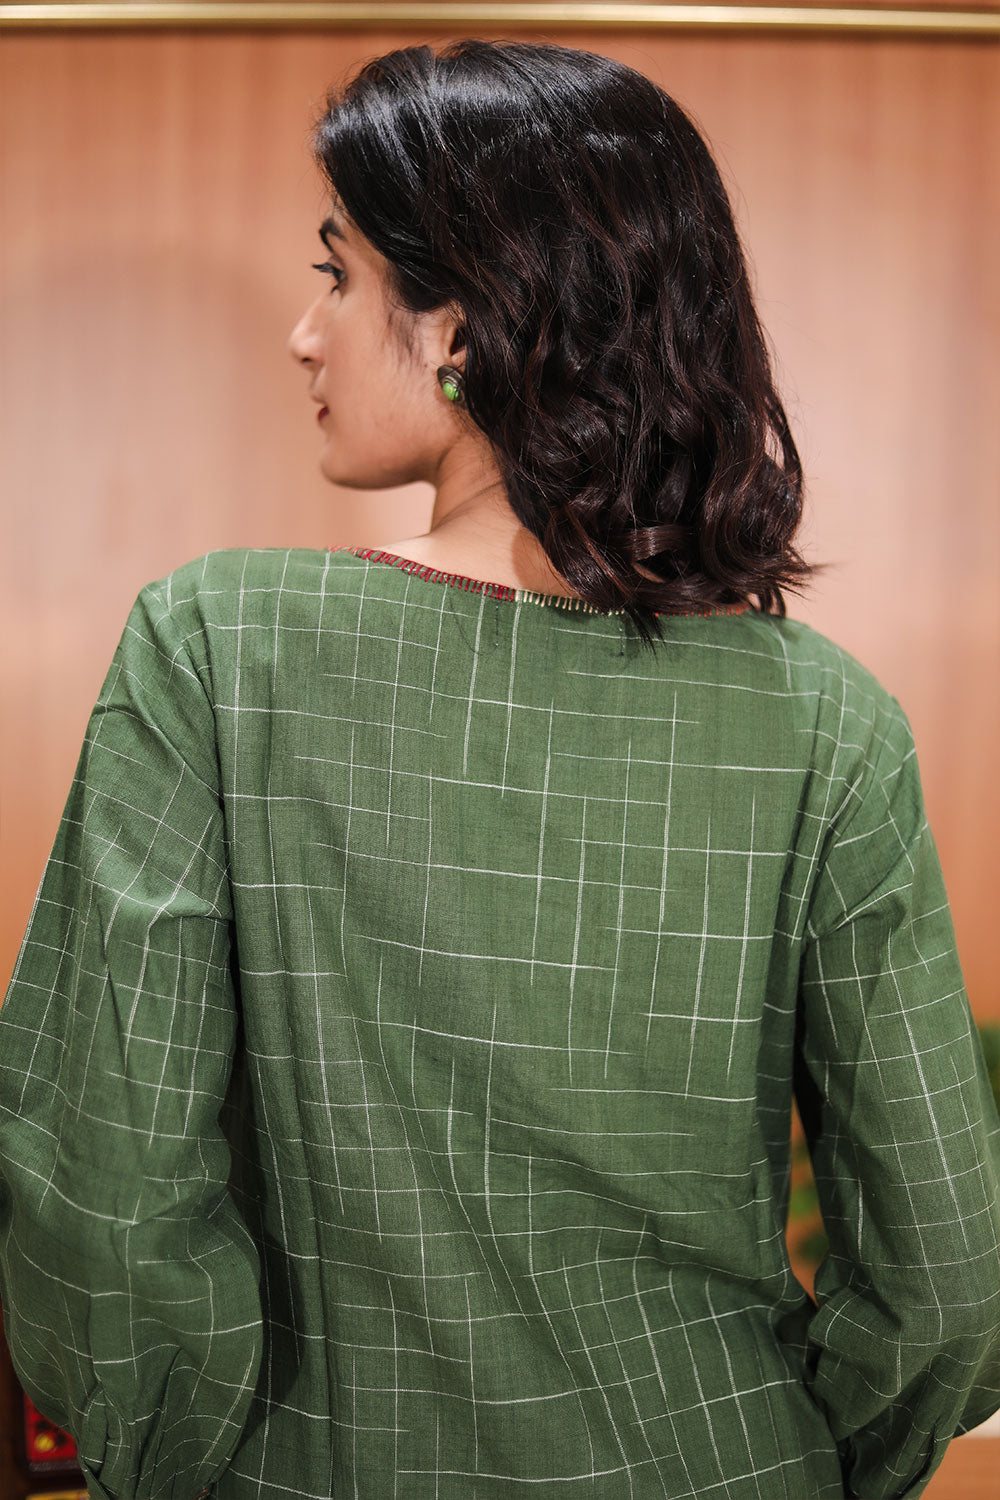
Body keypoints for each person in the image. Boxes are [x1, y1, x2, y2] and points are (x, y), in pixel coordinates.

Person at [0, 36, 997, 1500]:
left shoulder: (217, 646)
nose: (304, 331)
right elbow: (946, 1274)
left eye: (339, 274)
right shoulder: (831, 721)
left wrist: (188, 1464)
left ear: (463, 325)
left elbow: (105, 1192)